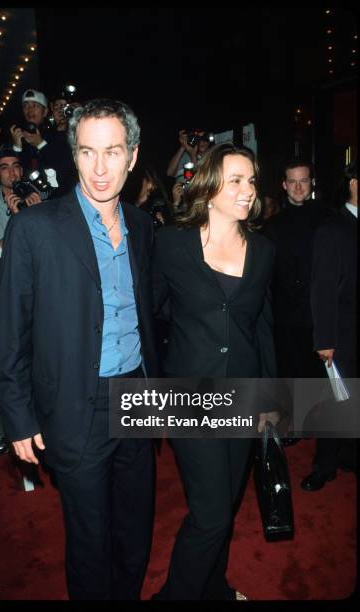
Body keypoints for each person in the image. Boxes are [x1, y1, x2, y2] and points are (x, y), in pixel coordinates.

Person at [0, 99, 157, 600]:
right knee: (88, 539)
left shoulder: (144, 226)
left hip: (140, 396)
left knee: (136, 529)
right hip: (73, 401)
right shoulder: (34, 228)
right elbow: (11, 333)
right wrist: (18, 417)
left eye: (113, 152)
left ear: (132, 156)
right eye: (88, 152)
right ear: (74, 155)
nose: (101, 168)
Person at [152, 143, 278, 600]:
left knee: (225, 503)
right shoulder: (170, 244)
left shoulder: (263, 250)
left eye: (252, 181)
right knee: (211, 515)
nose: (248, 191)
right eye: (237, 180)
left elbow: (262, 326)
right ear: (209, 186)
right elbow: (150, 316)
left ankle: (216, 590)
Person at [264, 157, 332, 445]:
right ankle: (296, 424)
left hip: (321, 313)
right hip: (288, 314)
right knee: (291, 372)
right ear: (284, 185)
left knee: (322, 378)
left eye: (303, 180)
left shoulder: (329, 219)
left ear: (311, 183)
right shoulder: (273, 226)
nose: (298, 187)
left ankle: (326, 433)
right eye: (292, 181)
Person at [301, 160, 357, 491]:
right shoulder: (332, 229)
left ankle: (350, 455)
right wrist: (324, 339)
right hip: (342, 333)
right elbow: (321, 288)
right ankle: (325, 464)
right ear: (353, 182)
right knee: (336, 402)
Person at [0, 148, 42, 254]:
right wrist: (15, 219)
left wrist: (39, 213)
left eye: (15, 166)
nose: (12, 172)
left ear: (21, 171)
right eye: (4, 168)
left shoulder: (36, 195)